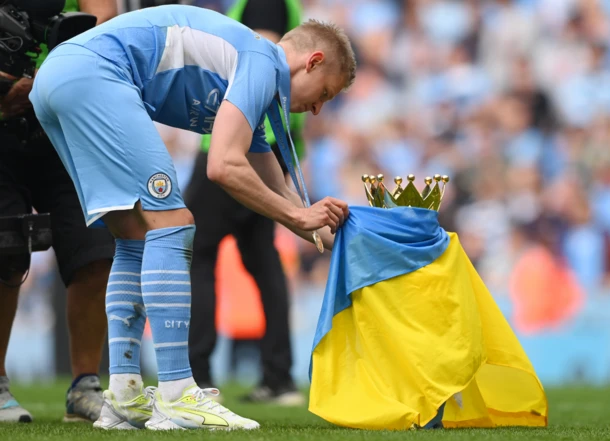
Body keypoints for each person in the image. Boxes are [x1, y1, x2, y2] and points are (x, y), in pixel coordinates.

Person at [29, 4, 355, 431]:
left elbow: (273, 182)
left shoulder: (250, 77)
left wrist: (334, 234)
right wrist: (297, 214)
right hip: (96, 75)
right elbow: (222, 165)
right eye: (325, 94)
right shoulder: (263, 60)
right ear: (312, 62)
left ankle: (125, 393)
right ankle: (179, 392)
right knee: (175, 222)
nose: (316, 110)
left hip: (56, 81)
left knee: (133, 235)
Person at [0, 0, 118, 424]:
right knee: (6, 250)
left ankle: (85, 386)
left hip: (62, 123)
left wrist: (48, 80)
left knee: (96, 247)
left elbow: (106, 16)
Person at [186, 0, 307, 406]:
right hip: (267, 146)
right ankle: (278, 376)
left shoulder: (263, 2)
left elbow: (264, 67)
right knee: (262, 261)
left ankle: (197, 376)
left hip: (242, 145)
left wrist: (250, 149)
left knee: (197, 256)